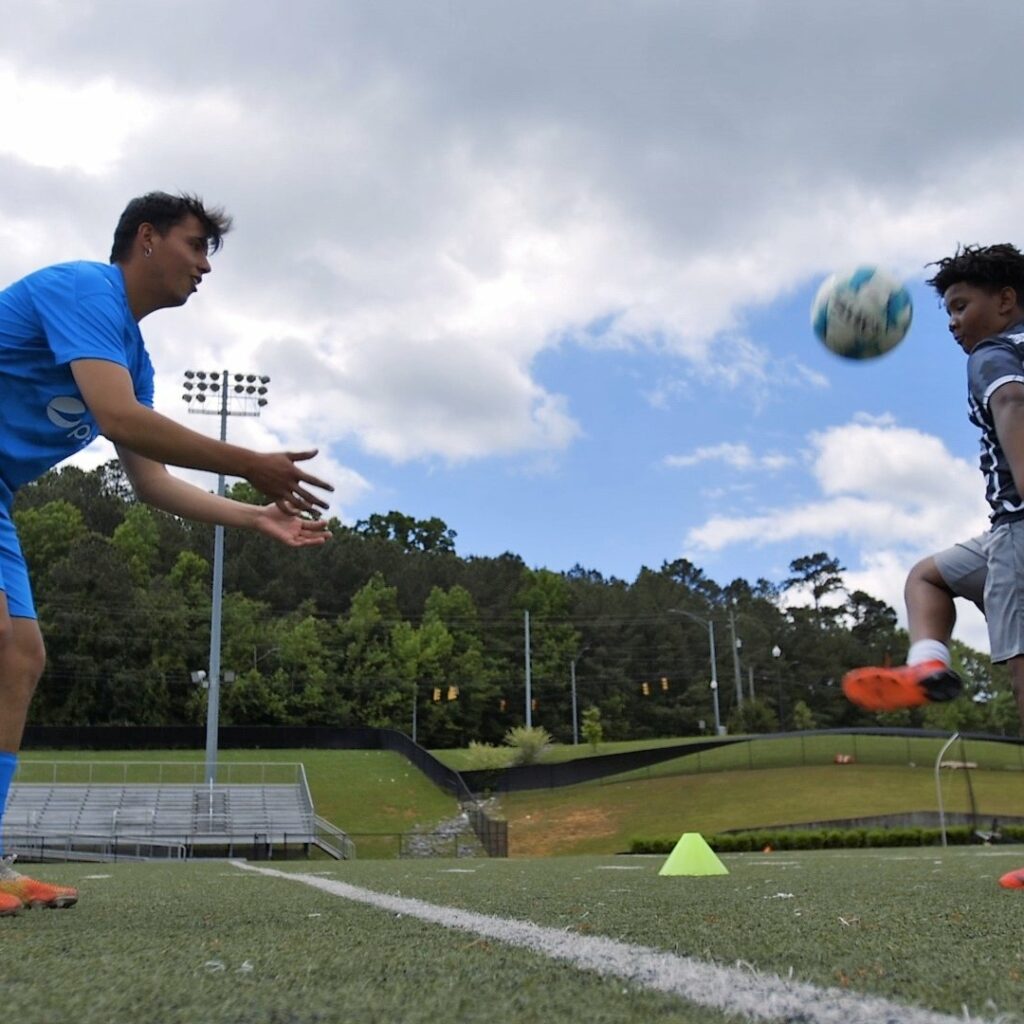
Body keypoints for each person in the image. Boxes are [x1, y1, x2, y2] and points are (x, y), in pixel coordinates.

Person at [0, 192, 333, 916]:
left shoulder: (133, 356)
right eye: (196, 245)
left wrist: (255, 518)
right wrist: (248, 458)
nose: (205, 266)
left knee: (20, 656)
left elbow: (149, 482)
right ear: (146, 239)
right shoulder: (85, 289)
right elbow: (121, 419)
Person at [843, 243, 1024, 733]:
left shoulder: (995, 352)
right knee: (928, 576)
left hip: (1018, 531)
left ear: (1005, 301)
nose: (953, 323)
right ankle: (927, 663)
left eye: (961, 306)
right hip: (1004, 537)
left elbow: (1010, 398)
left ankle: (927, 661)